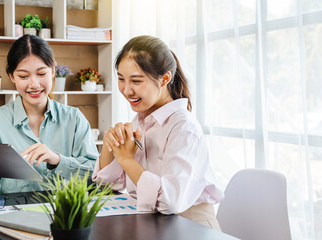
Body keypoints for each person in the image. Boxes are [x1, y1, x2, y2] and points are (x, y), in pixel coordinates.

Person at [92, 35, 224, 230]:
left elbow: (170, 201)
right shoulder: (140, 121)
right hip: (154, 224)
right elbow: (107, 185)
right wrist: (109, 148)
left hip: (192, 226)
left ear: (165, 79)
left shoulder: (184, 129)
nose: (126, 90)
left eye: (136, 81)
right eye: (121, 79)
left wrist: (127, 160)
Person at [0, 34, 98, 196]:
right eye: (23, 76)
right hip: (12, 217)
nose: (34, 84)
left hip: (65, 216)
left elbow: (95, 176)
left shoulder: (74, 119)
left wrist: (57, 161)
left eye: (41, 74)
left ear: (53, 71)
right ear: (12, 76)